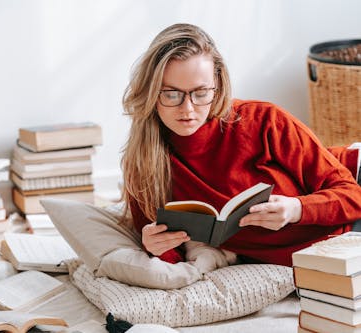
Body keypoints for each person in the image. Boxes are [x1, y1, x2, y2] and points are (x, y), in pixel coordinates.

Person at [120, 23, 361, 268]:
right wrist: (154, 247)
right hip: (302, 259)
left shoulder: (263, 120)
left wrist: (296, 209)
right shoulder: (144, 162)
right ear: (152, 93)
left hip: (347, 222)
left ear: (217, 86)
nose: (188, 109)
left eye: (201, 93)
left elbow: (354, 196)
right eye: (171, 94)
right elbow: (171, 257)